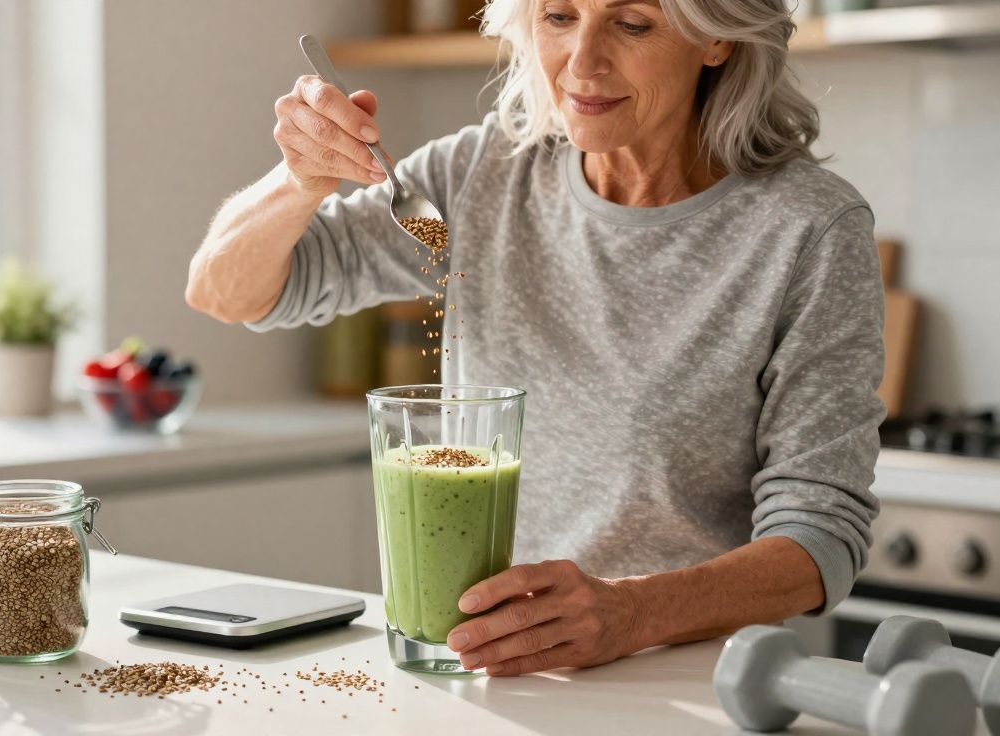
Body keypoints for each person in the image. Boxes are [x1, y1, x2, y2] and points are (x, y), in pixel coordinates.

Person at [186, 0, 885, 677]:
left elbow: (820, 537)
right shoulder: (480, 176)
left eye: (632, 23)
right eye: (558, 17)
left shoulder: (807, 230)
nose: (582, 61)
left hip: (690, 684)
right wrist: (299, 180)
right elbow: (227, 289)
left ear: (718, 39)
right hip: (486, 667)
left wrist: (631, 612)